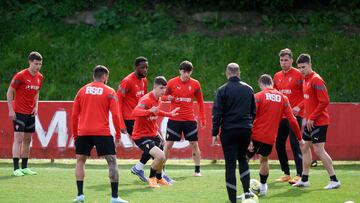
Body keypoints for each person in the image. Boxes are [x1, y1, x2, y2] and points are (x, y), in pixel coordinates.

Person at [71, 65, 128, 203]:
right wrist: (118, 136)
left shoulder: (82, 91)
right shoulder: (109, 91)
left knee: (80, 161)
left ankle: (80, 195)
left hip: (83, 132)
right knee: (112, 161)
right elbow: (115, 115)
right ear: (104, 77)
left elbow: (74, 115)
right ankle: (114, 197)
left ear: (94, 76)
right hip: (102, 132)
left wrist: (75, 134)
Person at [247, 74, 304, 196]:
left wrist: (248, 138)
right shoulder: (283, 98)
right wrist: (300, 138)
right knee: (264, 160)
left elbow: (250, 117)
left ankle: (246, 191)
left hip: (256, 135)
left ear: (261, 83)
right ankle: (263, 188)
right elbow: (293, 120)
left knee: (243, 160)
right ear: (272, 83)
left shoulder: (258, 96)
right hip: (270, 138)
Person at [292, 54, 341, 189]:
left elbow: (324, 101)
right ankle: (305, 179)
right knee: (304, 147)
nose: (301, 70)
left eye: (304, 67)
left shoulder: (316, 80)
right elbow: (308, 100)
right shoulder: (305, 79)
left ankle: (334, 180)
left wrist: (312, 117)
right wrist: (306, 116)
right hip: (309, 122)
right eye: (300, 67)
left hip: (319, 122)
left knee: (319, 150)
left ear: (310, 65)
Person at [212, 63, 256, 203]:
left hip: (229, 131)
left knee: (230, 165)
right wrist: (248, 126)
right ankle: (247, 193)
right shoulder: (249, 89)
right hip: (245, 129)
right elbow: (253, 112)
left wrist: (214, 133)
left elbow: (217, 113)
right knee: (243, 160)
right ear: (239, 73)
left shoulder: (222, 90)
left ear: (227, 73)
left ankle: (232, 200)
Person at [131, 76, 179, 188]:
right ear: (154, 87)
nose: (163, 91)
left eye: (164, 89)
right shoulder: (146, 99)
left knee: (162, 158)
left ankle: (159, 177)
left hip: (153, 133)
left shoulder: (159, 99)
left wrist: (169, 114)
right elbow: (134, 112)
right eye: (161, 88)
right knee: (160, 156)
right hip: (141, 135)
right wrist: (148, 111)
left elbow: (156, 112)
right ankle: (152, 178)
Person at [163, 60, 206, 177]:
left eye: (189, 72)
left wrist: (203, 118)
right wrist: (168, 97)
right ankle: (161, 169)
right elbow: (161, 97)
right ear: (180, 71)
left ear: (191, 72)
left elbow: (201, 102)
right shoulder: (171, 83)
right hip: (174, 119)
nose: (186, 74)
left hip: (189, 120)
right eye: (184, 71)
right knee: (168, 144)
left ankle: (197, 170)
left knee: (194, 144)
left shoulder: (196, 84)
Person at [7, 51, 44, 176]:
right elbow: (10, 91)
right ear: (30, 62)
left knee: (28, 139)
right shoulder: (20, 76)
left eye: (40, 64)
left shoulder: (40, 77)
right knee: (18, 138)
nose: (38, 66)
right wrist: (11, 110)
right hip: (19, 111)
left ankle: (24, 167)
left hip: (30, 112)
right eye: (35, 64)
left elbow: (37, 92)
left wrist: (36, 106)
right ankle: (16, 168)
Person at [117, 56, 152, 182]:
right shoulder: (127, 81)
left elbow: (145, 100)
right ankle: (157, 175)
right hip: (130, 120)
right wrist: (121, 123)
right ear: (136, 67)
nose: (145, 70)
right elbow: (117, 102)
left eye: (147, 67)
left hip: (141, 118)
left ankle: (140, 168)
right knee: (151, 148)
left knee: (158, 144)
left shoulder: (144, 81)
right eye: (142, 67)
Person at [273, 48, 304, 184]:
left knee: (294, 143)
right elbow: (275, 95)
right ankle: (286, 173)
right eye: (281, 60)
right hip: (281, 116)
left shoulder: (299, 75)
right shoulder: (277, 76)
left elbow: (307, 95)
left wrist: (299, 106)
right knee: (279, 144)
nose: (283, 63)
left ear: (291, 60)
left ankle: (300, 174)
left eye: (286, 60)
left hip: (295, 116)